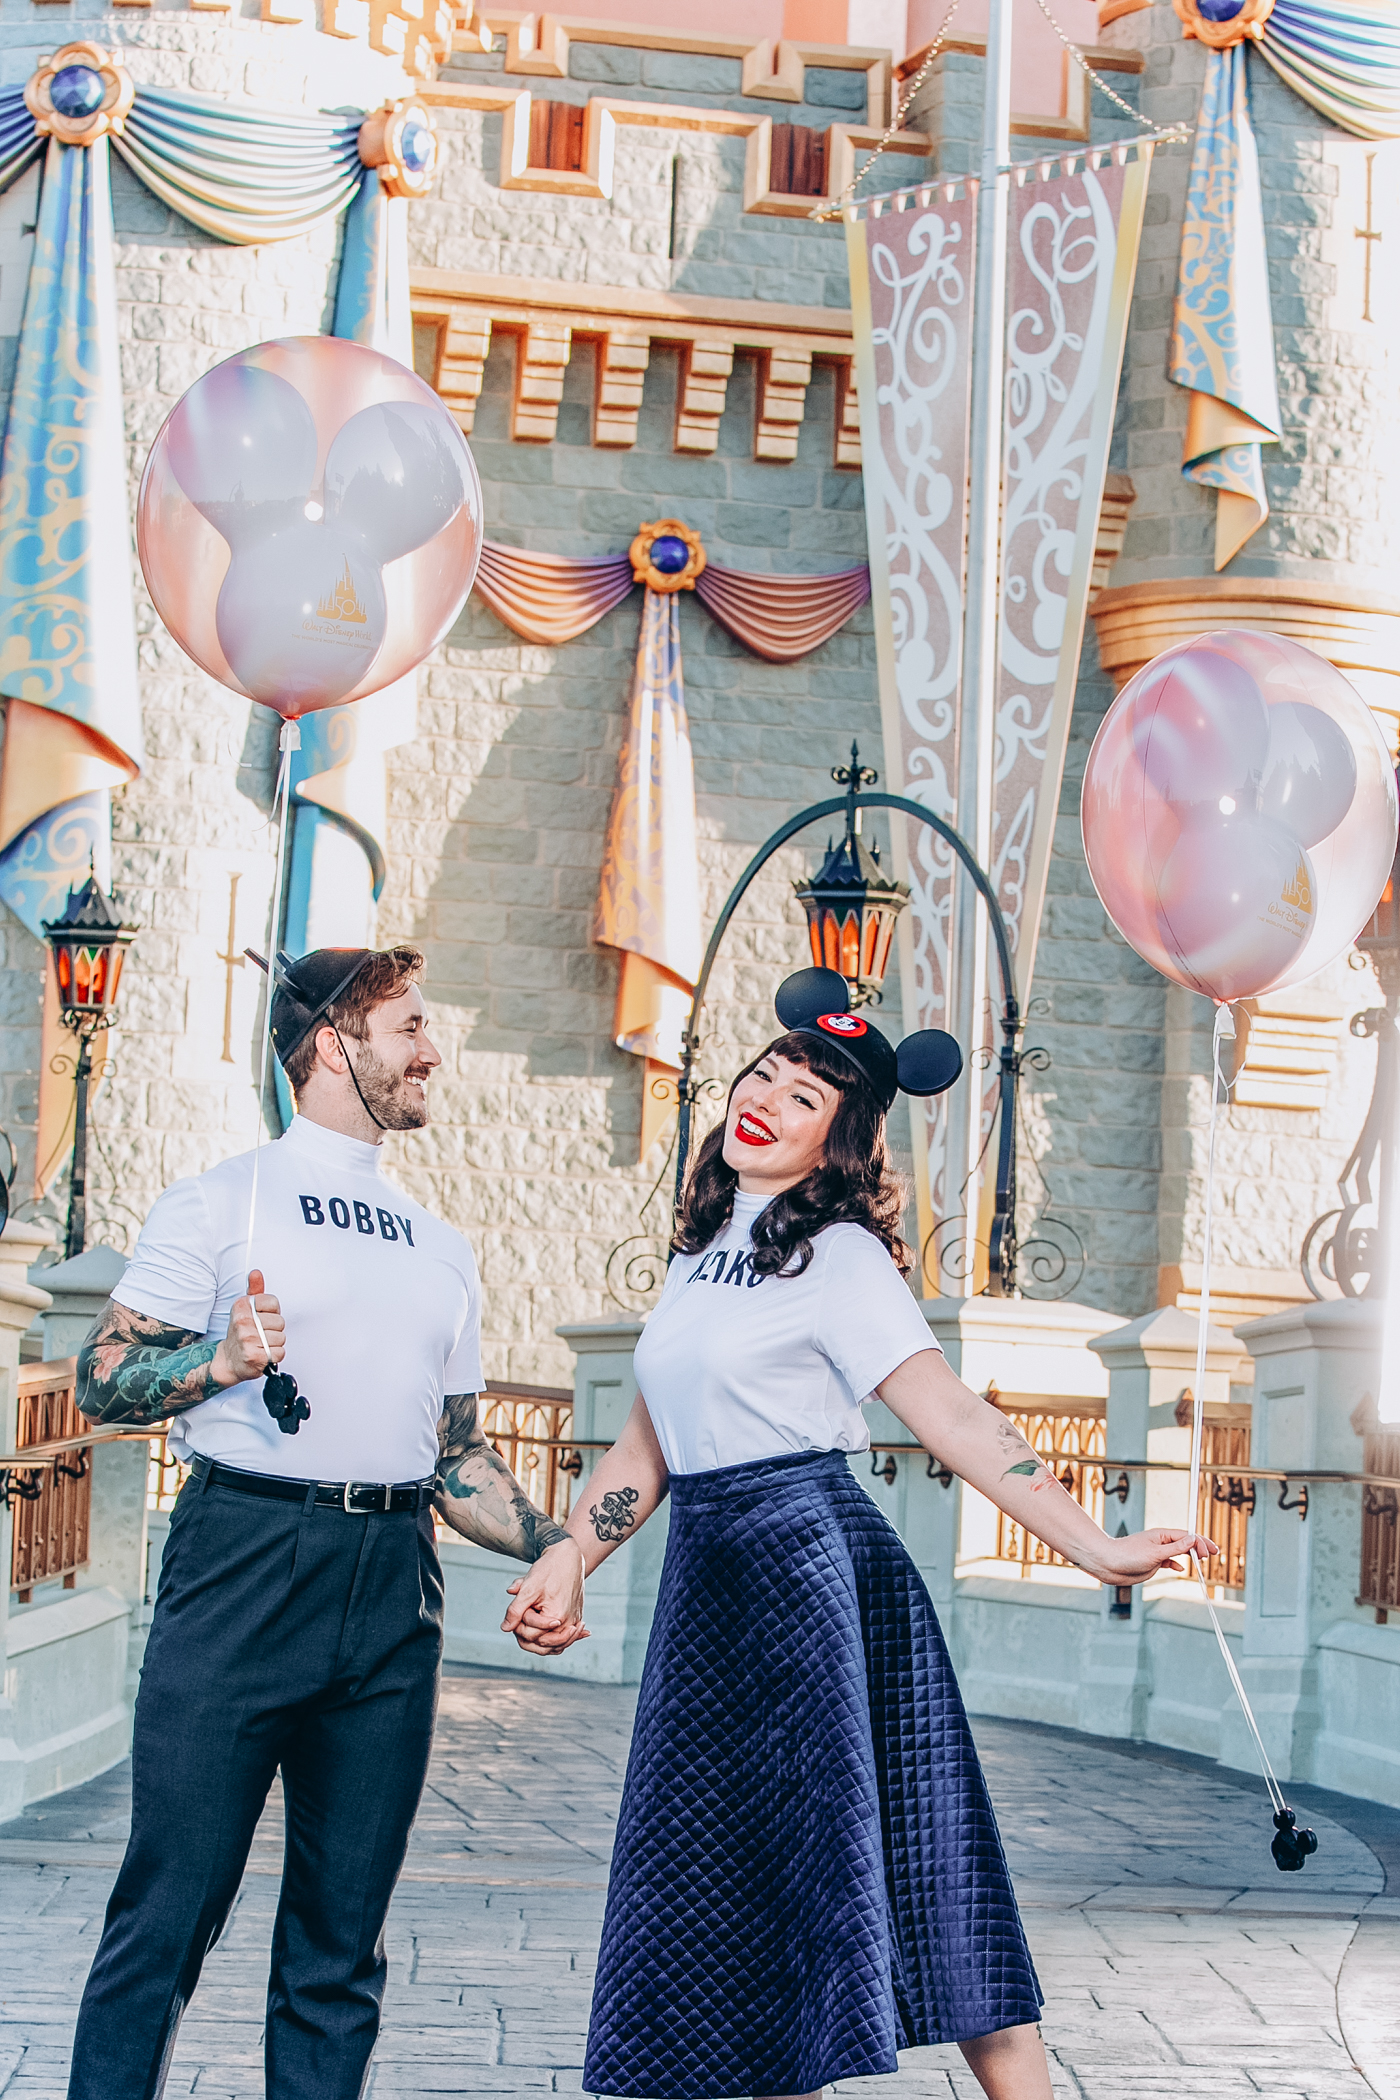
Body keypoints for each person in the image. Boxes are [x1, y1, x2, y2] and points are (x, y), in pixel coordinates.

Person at [507, 965, 1217, 2100]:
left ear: (837, 1143)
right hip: (713, 1579)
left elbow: (947, 1413)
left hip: (808, 1568)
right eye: (764, 1073)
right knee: (722, 1890)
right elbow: (650, 1446)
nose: (764, 1098)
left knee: (922, 1870)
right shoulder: (697, 1256)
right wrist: (569, 1555)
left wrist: (1093, 1545)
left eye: (800, 1099)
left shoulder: (836, 1254)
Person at [66, 944, 585, 2100]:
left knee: (341, 1947)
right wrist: (221, 1359)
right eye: (408, 1028)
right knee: (168, 1914)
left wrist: (555, 1548)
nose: (431, 1052)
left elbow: (452, 1458)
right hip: (243, 1560)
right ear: (330, 1044)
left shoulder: (445, 1250)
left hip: (394, 1580)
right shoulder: (222, 1200)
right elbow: (98, 1377)